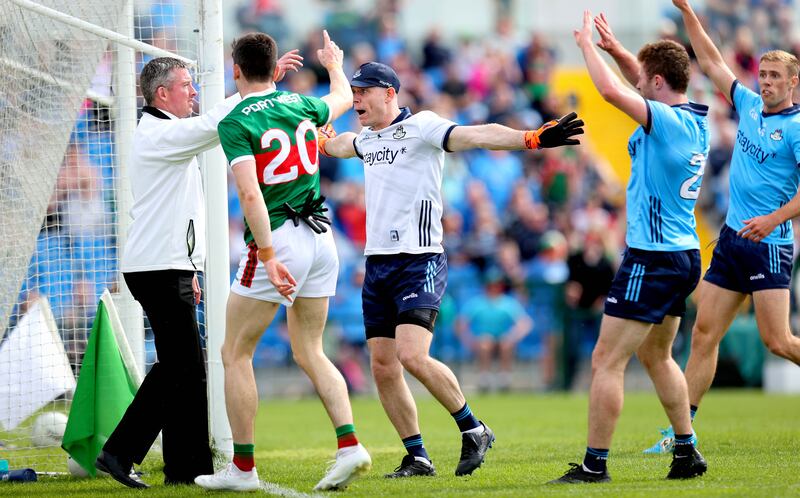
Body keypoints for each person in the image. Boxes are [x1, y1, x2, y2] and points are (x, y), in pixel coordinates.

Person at [319, 60, 583, 477]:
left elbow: (478, 134)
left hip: (419, 259)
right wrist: (330, 77)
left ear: (390, 93)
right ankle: (418, 456)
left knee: (411, 355)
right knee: (383, 366)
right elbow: (331, 143)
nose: (356, 99)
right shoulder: (365, 140)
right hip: (377, 265)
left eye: (364, 91)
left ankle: (472, 427)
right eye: (353, 92)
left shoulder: (423, 126)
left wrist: (530, 138)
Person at [94, 51, 302, 489]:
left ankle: (185, 468)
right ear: (162, 93)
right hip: (156, 268)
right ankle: (120, 452)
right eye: (186, 85)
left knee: (185, 368)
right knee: (183, 367)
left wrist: (191, 268)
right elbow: (212, 126)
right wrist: (256, 88)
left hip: (167, 265)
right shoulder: (158, 134)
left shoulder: (164, 131)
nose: (193, 92)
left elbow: (179, 205)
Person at [193, 31, 371, 492]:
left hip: (279, 239)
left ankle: (243, 470)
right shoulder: (300, 104)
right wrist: (334, 61)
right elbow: (342, 97)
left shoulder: (234, 121)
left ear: (235, 70)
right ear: (276, 69)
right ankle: (350, 445)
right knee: (311, 350)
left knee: (234, 353)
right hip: (320, 234)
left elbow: (250, 193)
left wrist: (268, 255)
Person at [549, 11, 709, 484]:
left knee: (605, 360)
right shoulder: (693, 116)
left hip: (653, 258)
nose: (639, 83)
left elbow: (612, 93)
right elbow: (640, 84)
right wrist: (617, 49)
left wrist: (584, 48)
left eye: (645, 77)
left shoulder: (666, 121)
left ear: (658, 82)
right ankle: (686, 452)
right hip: (683, 255)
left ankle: (595, 465)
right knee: (656, 356)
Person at [645, 0, 800, 453]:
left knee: (778, 341)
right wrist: (687, 10)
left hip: (769, 243)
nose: (766, 83)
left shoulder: (795, 128)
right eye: (764, 75)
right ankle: (682, 434)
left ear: (793, 83)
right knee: (704, 333)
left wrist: (772, 218)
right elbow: (710, 59)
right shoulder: (748, 104)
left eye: (776, 78)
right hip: (733, 241)